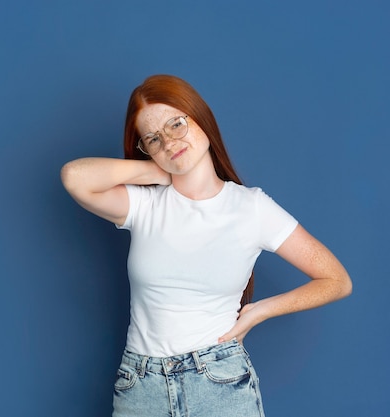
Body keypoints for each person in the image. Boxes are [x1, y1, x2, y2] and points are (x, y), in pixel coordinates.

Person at [60, 74, 352, 417]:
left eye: (176, 125)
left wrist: (259, 311)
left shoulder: (252, 208)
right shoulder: (146, 205)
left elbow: (336, 280)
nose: (169, 142)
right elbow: (74, 177)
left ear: (200, 118)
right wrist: (156, 172)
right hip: (140, 384)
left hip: (218, 381)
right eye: (153, 139)